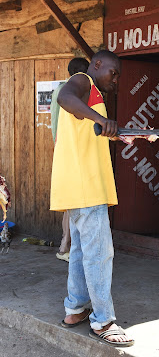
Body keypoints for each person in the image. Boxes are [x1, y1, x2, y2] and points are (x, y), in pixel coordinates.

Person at [50, 50, 134, 347]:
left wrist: (116, 132)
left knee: (82, 252)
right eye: (114, 72)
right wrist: (101, 117)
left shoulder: (93, 91)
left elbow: (88, 130)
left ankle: (75, 308)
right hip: (86, 186)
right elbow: (63, 97)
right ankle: (103, 320)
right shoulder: (82, 80)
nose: (117, 80)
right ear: (97, 65)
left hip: (78, 186)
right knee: (99, 252)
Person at [50, 57, 89, 263]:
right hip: (69, 151)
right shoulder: (70, 92)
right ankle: (66, 246)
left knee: (70, 202)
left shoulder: (61, 89)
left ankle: (67, 246)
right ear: (81, 73)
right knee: (71, 203)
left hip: (63, 150)